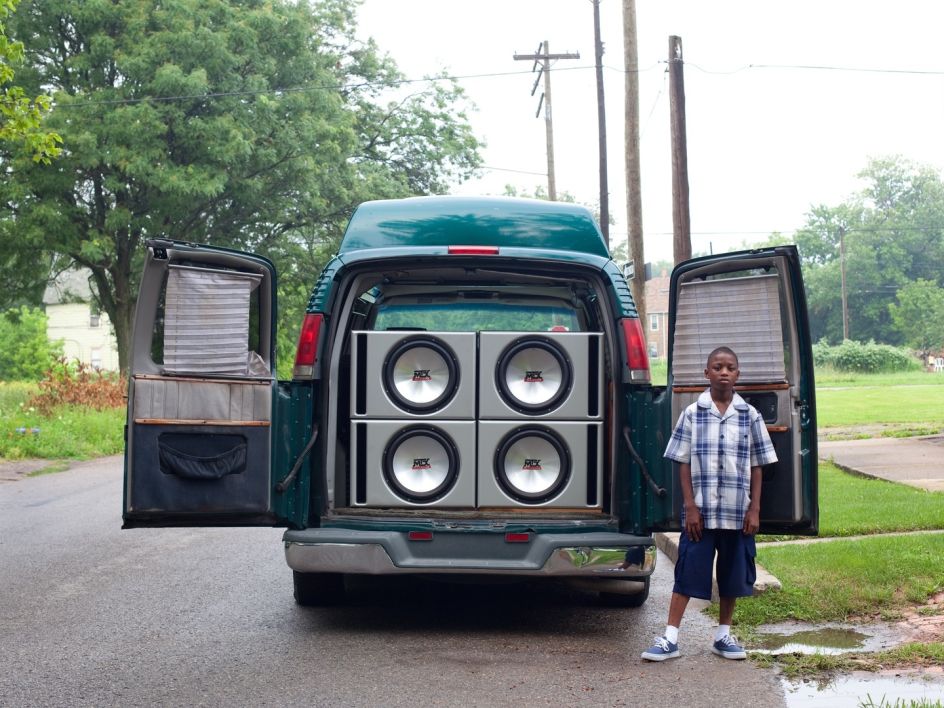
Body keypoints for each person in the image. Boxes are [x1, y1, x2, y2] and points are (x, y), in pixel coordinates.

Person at [641, 346, 777, 661]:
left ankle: (723, 636)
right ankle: (670, 638)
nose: (724, 372)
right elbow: (682, 462)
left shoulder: (749, 415)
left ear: (738, 374)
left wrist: (754, 508)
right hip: (701, 513)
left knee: (731, 575)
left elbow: (758, 465)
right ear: (707, 373)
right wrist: (690, 506)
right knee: (689, 570)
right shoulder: (693, 413)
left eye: (730, 367)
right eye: (717, 367)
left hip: (737, 512)